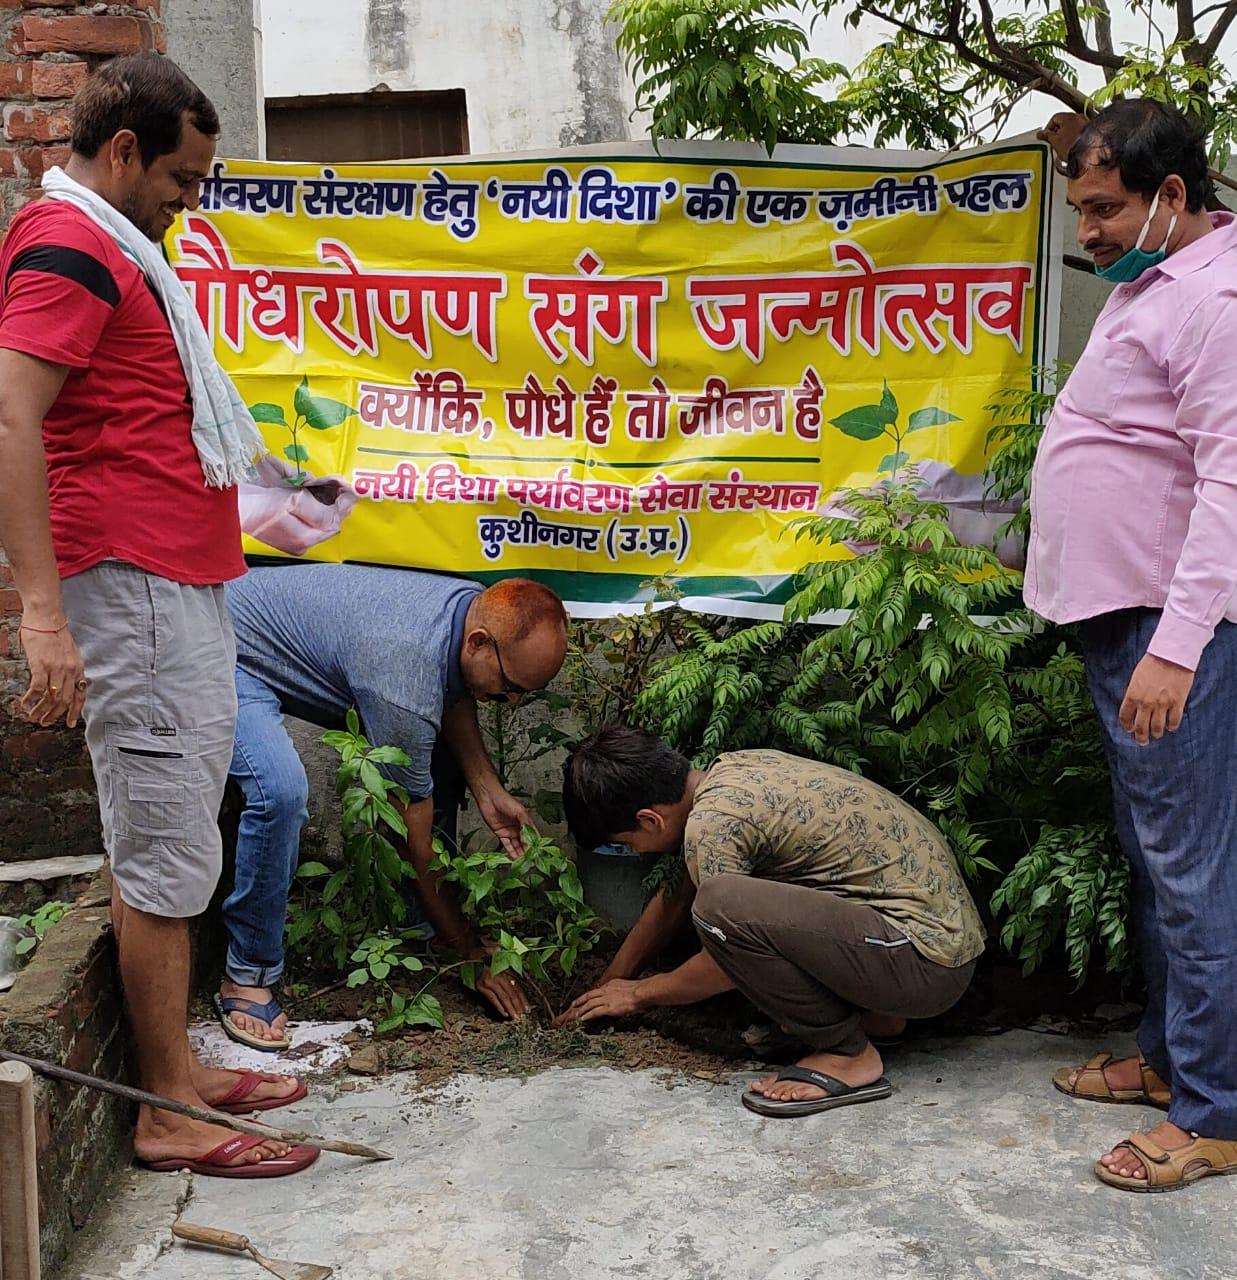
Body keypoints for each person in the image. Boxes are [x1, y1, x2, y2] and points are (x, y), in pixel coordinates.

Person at [0, 56, 314, 1177]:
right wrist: (42, 616)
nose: (190, 200)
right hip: (127, 584)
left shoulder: (115, 248)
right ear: (124, 150)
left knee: (180, 831)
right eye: (182, 178)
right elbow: (11, 418)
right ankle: (168, 1108)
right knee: (162, 847)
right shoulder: (71, 244)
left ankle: (178, 1069)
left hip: (168, 578)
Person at [1029, 99, 1237, 1193]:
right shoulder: (1153, 282)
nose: (1088, 228)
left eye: (1104, 207)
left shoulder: (1216, 301)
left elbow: (1230, 488)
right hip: (1127, 621)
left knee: (1194, 872)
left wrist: (1177, 648)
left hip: (1171, 631)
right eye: (1079, 207)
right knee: (1158, 862)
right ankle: (1166, 1062)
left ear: (1171, 196)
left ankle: (1216, 1110)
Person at [215, 564, 569, 1048]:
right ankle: (248, 973)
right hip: (222, 648)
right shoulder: (405, 678)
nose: (510, 702)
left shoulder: (467, 607)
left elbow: (454, 691)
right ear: (478, 643)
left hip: (271, 631)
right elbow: (410, 839)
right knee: (280, 792)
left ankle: (418, 929)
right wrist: (468, 950)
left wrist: (488, 788)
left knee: (436, 759)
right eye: (511, 687)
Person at [556, 727, 985, 1117]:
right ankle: (880, 1018)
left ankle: (847, 1052)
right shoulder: (731, 772)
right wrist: (612, 980)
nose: (636, 853)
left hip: (924, 964)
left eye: (627, 844)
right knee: (722, 904)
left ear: (650, 820)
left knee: (719, 908)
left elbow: (725, 960)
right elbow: (677, 896)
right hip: (929, 946)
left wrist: (638, 995)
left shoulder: (712, 829)